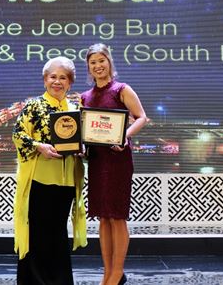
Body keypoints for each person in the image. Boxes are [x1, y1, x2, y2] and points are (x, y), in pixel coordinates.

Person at [12, 56, 87, 285]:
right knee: (37, 232)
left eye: (63, 77)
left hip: (66, 182)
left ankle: (59, 281)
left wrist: (83, 149)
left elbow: (84, 141)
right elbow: (18, 134)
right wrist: (39, 146)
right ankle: (35, 281)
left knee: (58, 233)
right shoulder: (33, 106)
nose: (57, 81)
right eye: (53, 77)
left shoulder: (75, 109)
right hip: (40, 179)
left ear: (70, 82)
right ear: (45, 80)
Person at [81, 43, 147, 285]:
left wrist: (124, 136)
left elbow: (142, 117)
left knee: (117, 216)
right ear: (88, 67)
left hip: (118, 160)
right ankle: (107, 273)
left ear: (109, 62)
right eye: (93, 62)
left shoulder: (122, 89)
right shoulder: (85, 96)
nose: (98, 66)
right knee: (103, 217)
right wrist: (82, 149)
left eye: (102, 60)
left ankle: (117, 272)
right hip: (97, 162)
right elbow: (85, 131)